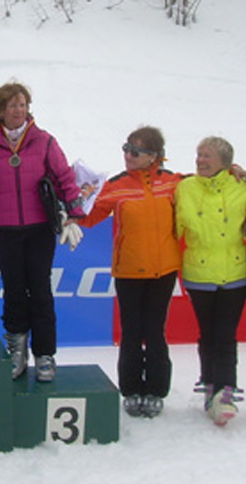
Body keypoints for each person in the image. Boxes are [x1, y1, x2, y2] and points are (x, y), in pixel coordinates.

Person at [77, 126, 183, 418]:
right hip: (129, 271)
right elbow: (88, 215)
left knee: (155, 331)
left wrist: (235, 171)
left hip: (163, 270)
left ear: (154, 156)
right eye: (126, 148)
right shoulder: (116, 185)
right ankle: (132, 389)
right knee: (132, 332)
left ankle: (156, 390)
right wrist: (71, 204)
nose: (128, 155)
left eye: (135, 151)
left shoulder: (174, 182)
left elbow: (212, 186)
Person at [0, 82, 84, 382]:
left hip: (40, 227)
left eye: (23, 104)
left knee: (40, 290)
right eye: (12, 105)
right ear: (0, 110)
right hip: (4, 229)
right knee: (13, 290)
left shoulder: (44, 141)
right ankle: (17, 350)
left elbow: (65, 177)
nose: (18, 110)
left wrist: (73, 214)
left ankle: (45, 355)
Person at [175, 136, 246, 426]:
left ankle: (226, 391)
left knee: (226, 335)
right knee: (208, 333)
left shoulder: (242, 187)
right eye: (198, 154)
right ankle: (210, 385)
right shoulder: (185, 187)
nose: (200, 160)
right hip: (199, 275)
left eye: (207, 156)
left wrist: (242, 172)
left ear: (224, 162)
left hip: (234, 274)